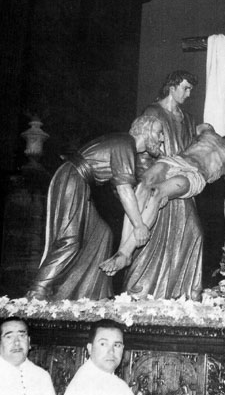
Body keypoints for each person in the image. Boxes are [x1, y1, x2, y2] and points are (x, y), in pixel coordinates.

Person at [26, 117, 164, 301]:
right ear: (144, 131)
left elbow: (122, 189)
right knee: (70, 239)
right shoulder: (125, 143)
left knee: (101, 233)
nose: (161, 138)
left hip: (82, 183)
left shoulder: (125, 146)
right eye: (158, 132)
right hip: (73, 178)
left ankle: (91, 295)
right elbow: (124, 190)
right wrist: (139, 225)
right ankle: (37, 292)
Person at [100, 123, 225, 275]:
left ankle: (126, 253)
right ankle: (121, 252)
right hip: (174, 161)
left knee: (157, 194)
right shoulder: (208, 130)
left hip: (194, 175)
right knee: (142, 186)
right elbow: (181, 128)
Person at [121, 70, 203, 300]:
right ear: (172, 87)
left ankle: (182, 294)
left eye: (190, 90)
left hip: (180, 180)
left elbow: (192, 150)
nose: (188, 94)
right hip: (158, 178)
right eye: (185, 88)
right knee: (152, 234)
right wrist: (145, 179)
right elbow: (144, 147)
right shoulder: (153, 111)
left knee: (193, 232)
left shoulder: (187, 119)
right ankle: (140, 290)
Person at [59, 319, 164, 395]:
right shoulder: (85, 384)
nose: (111, 352)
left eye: (117, 345)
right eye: (103, 344)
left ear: (123, 349)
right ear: (90, 348)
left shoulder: (110, 379)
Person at [0, 316, 59, 395]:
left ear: (29, 341)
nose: (17, 343)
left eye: (22, 336)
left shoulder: (41, 376)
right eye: (9, 337)